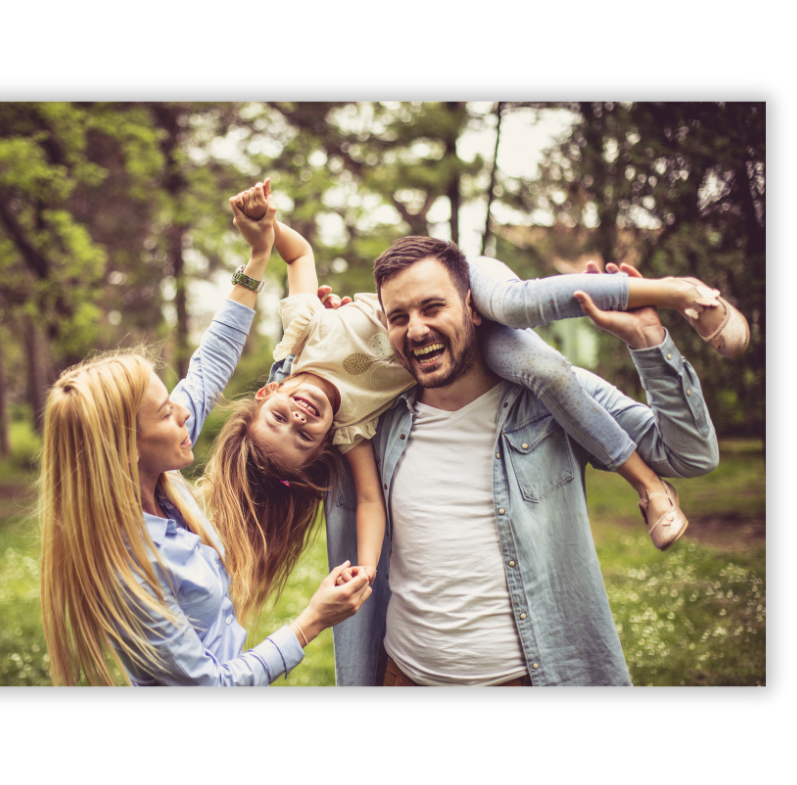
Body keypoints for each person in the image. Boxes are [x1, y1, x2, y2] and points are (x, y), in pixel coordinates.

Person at [226, 181, 742, 618]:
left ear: (270, 391)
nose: (299, 418)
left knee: (514, 303)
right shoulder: (354, 429)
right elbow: (367, 502)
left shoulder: (303, 332)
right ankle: (648, 483)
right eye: (302, 436)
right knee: (544, 370)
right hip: (471, 339)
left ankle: (681, 292)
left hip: (462, 278)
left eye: (280, 416)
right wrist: (365, 567)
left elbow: (299, 255)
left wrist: (266, 229)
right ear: (322, 446)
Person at [287, 237, 722, 687]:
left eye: (433, 308)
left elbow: (691, 455)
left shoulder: (556, 400)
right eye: (399, 317)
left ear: (473, 308)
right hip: (402, 675)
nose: (416, 330)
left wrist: (648, 342)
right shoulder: (373, 423)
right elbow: (282, 420)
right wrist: (318, 342)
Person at [39, 188, 371, 687]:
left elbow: (209, 365)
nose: (184, 410)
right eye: (165, 411)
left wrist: (257, 256)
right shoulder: (128, 568)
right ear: (125, 447)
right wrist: (311, 622)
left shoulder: (156, 469)